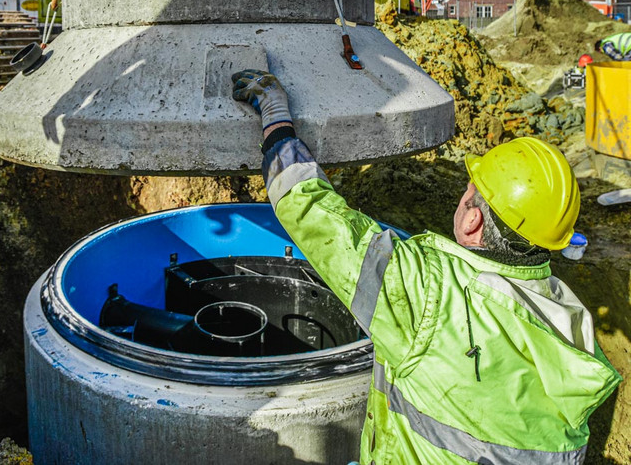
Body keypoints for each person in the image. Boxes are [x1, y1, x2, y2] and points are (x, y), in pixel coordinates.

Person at [232, 69, 622, 465]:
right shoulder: (571, 325)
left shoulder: (426, 295)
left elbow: (313, 214)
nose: (462, 194)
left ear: (474, 221)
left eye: (468, 190)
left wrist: (277, 120)